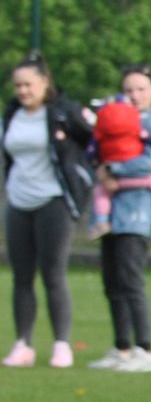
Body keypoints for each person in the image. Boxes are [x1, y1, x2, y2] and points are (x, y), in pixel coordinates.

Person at [3, 53, 94, 369]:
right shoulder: (12, 115)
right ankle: (23, 344)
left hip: (53, 201)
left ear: (44, 83)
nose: (23, 91)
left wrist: (90, 173)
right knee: (21, 276)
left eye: (28, 84)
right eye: (18, 85)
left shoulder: (62, 114)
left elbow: (93, 141)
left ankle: (61, 345)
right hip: (18, 201)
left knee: (53, 274)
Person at [87, 65, 151, 374]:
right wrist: (99, 167)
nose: (135, 95)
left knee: (131, 280)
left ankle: (146, 350)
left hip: (136, 213)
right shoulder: (114, 119)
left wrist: (114, 171)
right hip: (110, 213)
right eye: (129, 90)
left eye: (141, 89)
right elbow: (97, 153)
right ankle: (122, 347)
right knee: (111, 281)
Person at [85, 92, 151, 240]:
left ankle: (101, 221)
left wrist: (102, 167)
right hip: (141, 180)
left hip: (112, 181)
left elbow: (91, 154)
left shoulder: (101, 137)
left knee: (100, 192)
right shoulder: (137, 131)